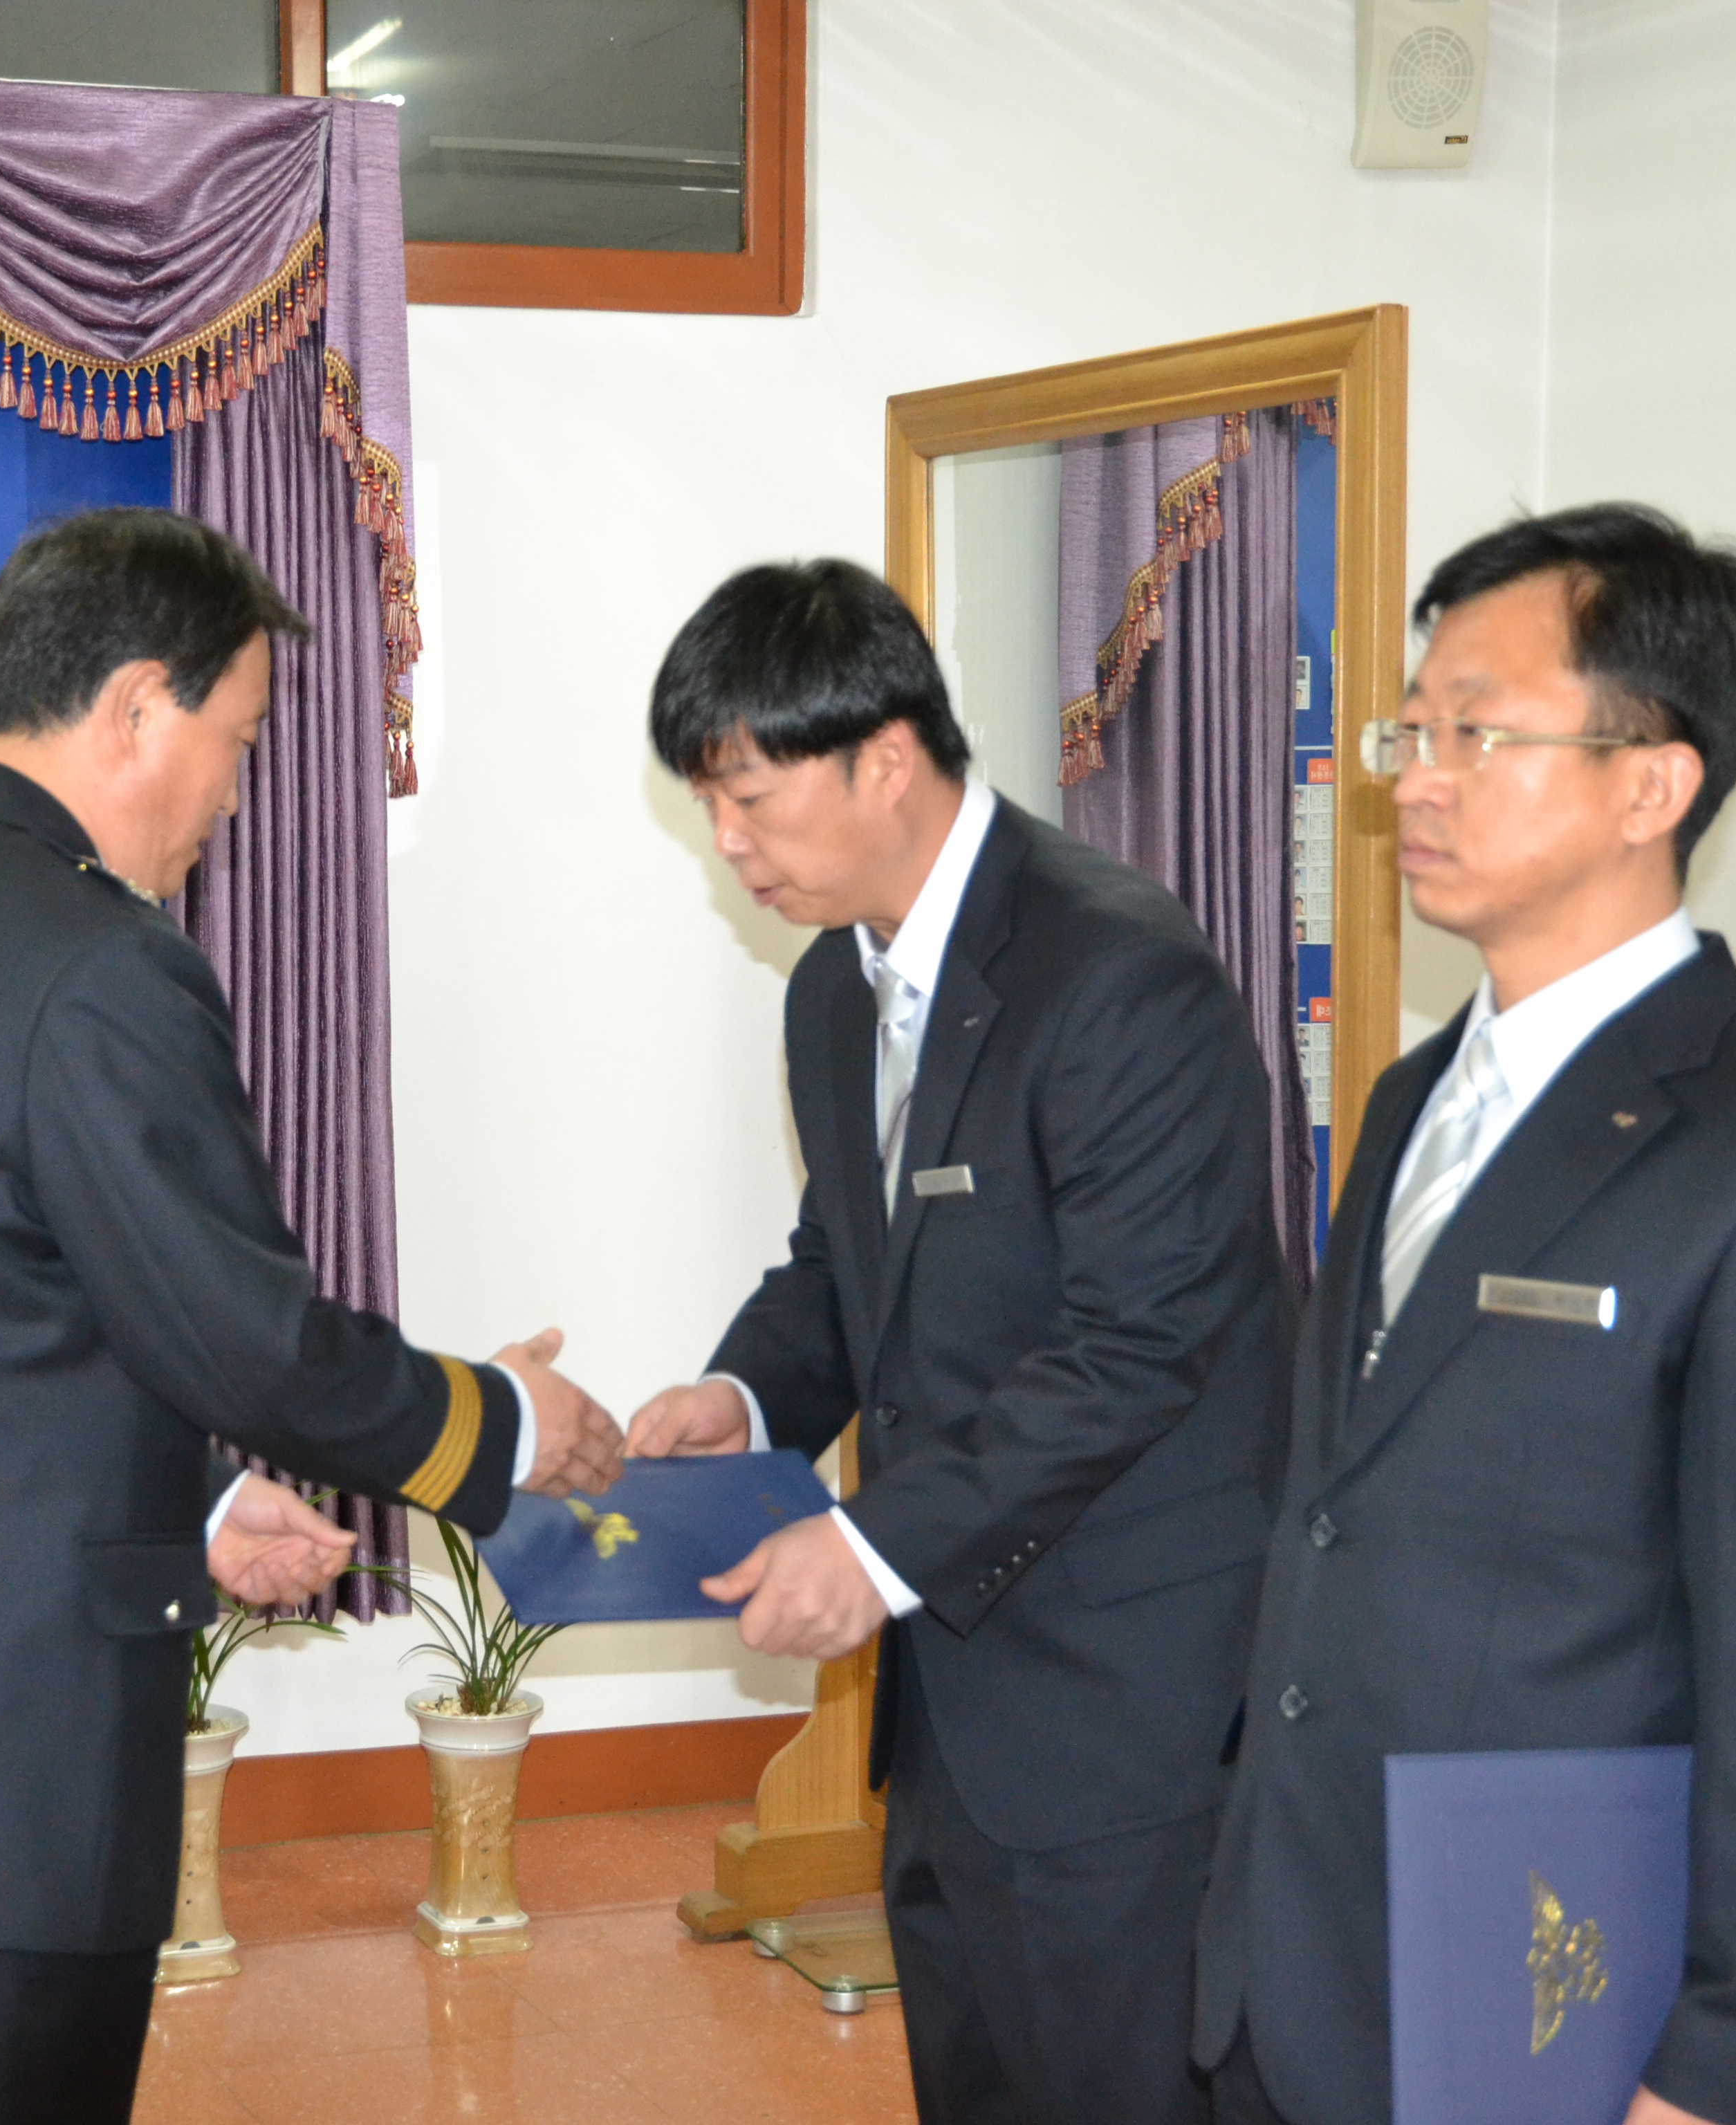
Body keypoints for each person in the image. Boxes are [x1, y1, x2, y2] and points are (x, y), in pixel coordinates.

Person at [0, 507, 629, 2124]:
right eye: (238, 743)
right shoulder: (99, 966)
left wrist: (199, 1503)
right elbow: (253, 1344)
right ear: (141, 706)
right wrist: (500, 1421)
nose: (231, 797)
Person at [1192, 506, 1736, 2125]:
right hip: (1306, 1947)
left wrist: (1733, 2068)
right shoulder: (1409, 1100)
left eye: (1477, 732)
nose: (1417, 779)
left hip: (1555, 1983)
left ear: (1650, 786)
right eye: (1410, 730)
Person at [622, 560, 1288, 2125]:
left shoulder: (1116, 974)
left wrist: (873, 1546)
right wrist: (744, 1394)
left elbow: (1139, 1343)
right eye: (707, 804)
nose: (728, 844)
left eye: (748, 799)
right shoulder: (831, 992)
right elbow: (848, 1264)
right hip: (956, 1697)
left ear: (887, 760)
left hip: (1125, 1698)